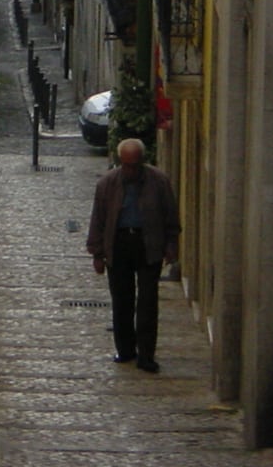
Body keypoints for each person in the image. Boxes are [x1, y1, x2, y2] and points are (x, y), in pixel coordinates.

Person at [84, 137, 180, 373]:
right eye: (126, 165)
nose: (130, 170)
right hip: (119, 244)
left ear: (142, 162)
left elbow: (170, 215)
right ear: (120, 162)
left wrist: (171, 244)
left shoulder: (159, 182)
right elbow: (98, 219)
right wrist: (97, 253)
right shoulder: (107, 184)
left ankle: (146, 355)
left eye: (134, 165)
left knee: (148, 301)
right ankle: (125, 349)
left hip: (149, 244)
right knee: (122, 301)